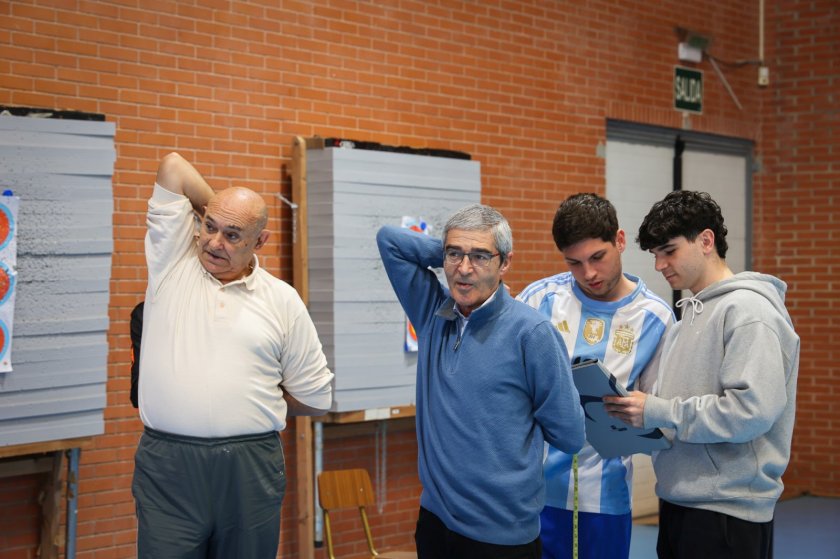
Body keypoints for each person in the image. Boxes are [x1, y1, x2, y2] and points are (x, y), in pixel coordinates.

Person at [132, 152, 334, 558]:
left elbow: (315, 398)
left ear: (260, 241)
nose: (213, 243)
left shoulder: (282, 300)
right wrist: (222, 206)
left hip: (250, 467)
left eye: (232, 235)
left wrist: (252, 404)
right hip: (169, 466)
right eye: (209, 226)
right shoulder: (173, 263)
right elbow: (172, 166)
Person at [376, 204, 585, 559]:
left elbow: (570, 434)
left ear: (505, 263)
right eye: (455, 254)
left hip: (500, 535)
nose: (464, 269)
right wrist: (448, 252)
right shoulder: (432, 314)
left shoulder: (532, 333)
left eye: (480, 257)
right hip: (435, 522)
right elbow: (389, 241)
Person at [604, 190, 800, 559]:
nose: (660, 265)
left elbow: (750, 412)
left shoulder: (749, 311)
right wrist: (628, 417)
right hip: (679, 502)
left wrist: (657, 411)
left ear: (706, 241)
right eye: (655, 255)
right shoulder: (684, 321)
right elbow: (673, 412)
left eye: (669, 250)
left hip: (728, 513)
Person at [516, 193, 674, 559]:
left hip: (603, 501)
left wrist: (639, 414)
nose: (588, 273)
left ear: (619, 240)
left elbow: (659, 414)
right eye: (574, 263)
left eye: (597, 258)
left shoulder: (657, 318)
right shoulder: (539, 300)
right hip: (531, 494)